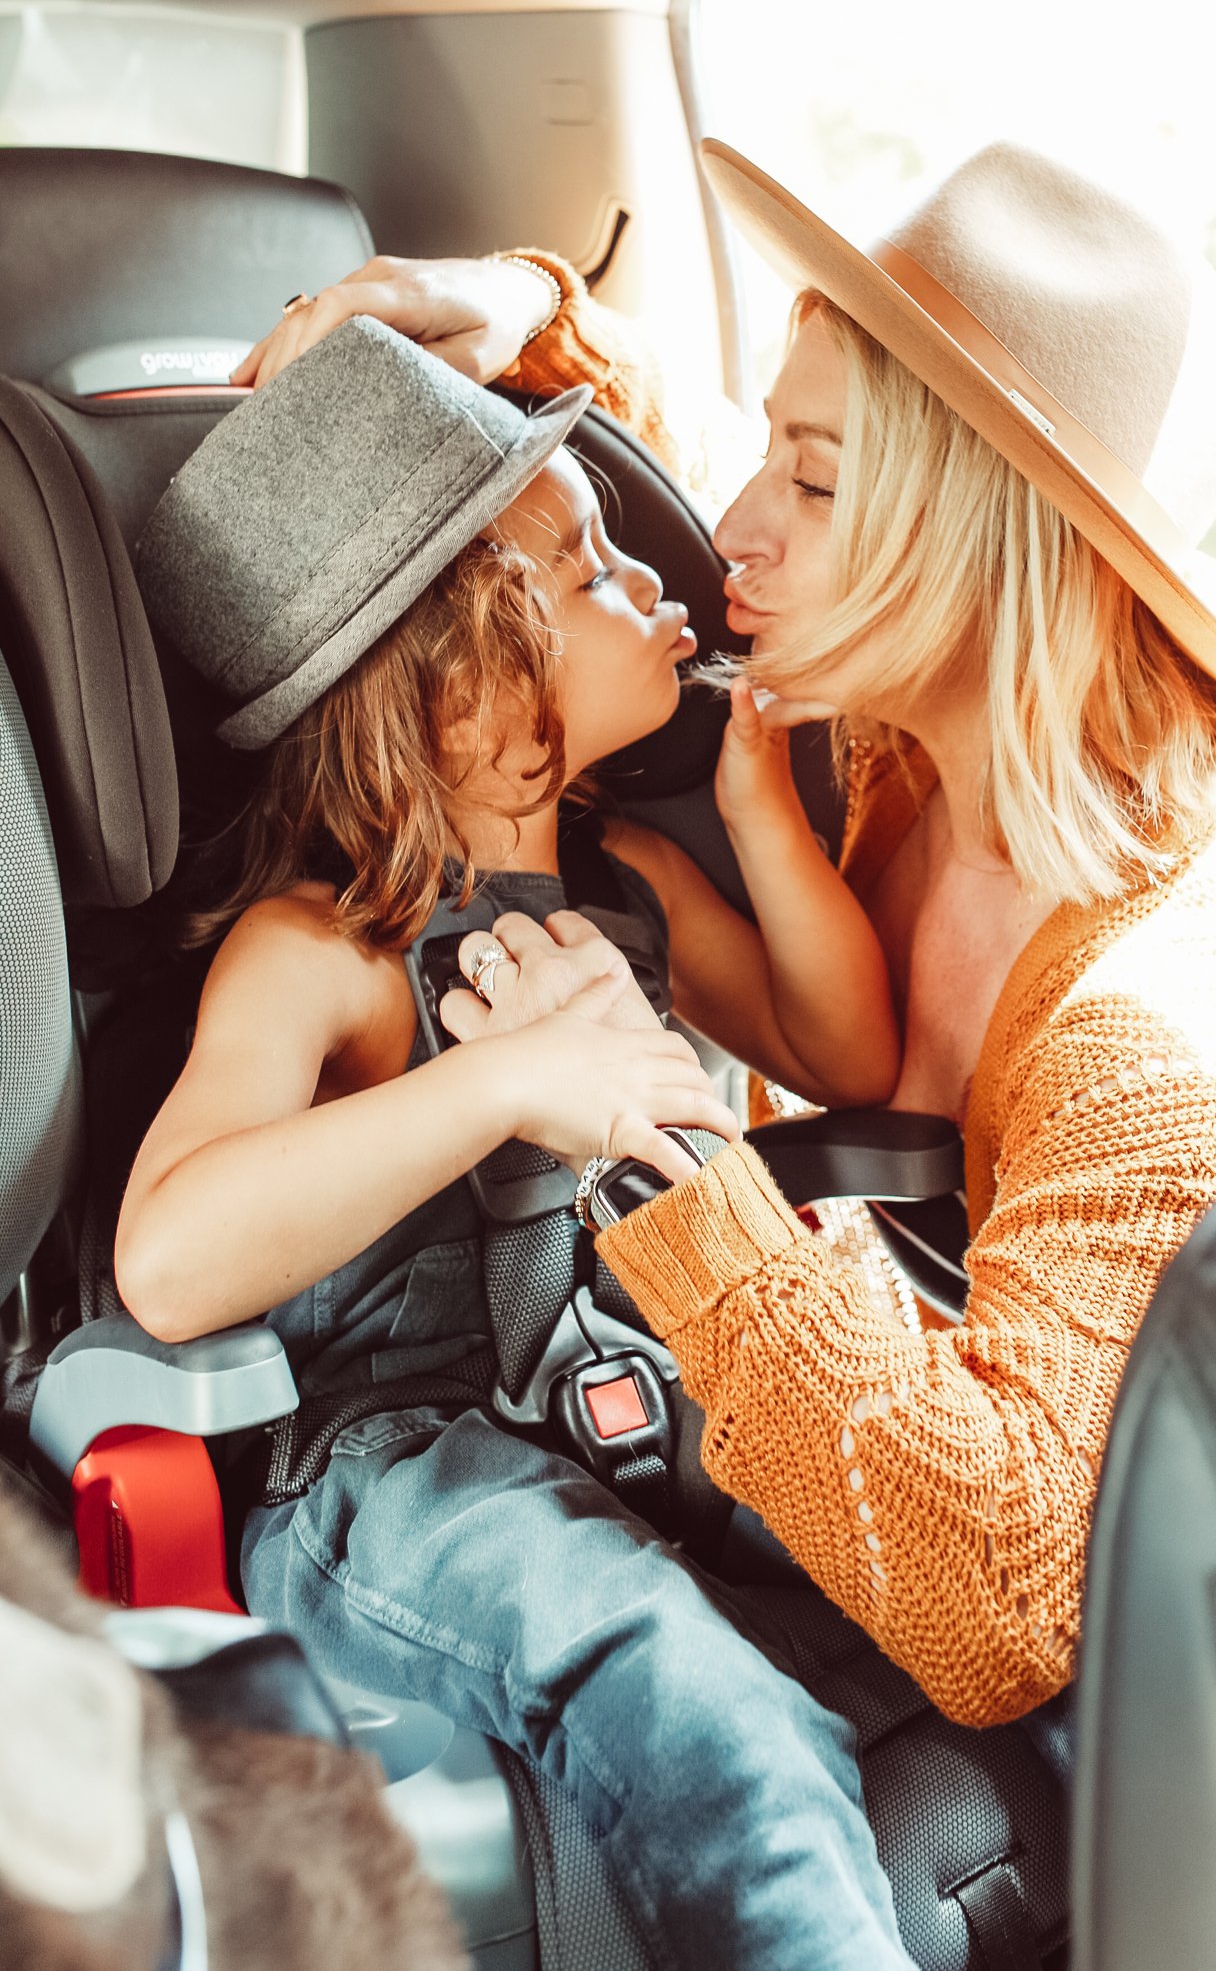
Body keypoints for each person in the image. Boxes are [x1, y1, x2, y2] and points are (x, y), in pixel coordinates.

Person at [232, 142, 1216, 1737]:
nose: (729, 520)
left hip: (1203, 1653)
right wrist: (513, 301)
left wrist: (661, 1138)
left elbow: (1002, 1601)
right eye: (774, 455)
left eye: (811, 480)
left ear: (988, 538)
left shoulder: (1161, 1027)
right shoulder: (909, 709)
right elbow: (649, 488)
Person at [114, 317, 917, 1971]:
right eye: (591, 569)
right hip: (398, 1469)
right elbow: (170, 1262)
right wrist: (497, 1086)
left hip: (636, 1394)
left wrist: (758, 808)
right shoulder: (322, 949)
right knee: (678, 1688)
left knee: (900, 1560)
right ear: (466, 682)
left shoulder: (639, 890)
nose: (655, 579)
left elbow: (849, 1053)